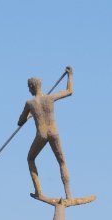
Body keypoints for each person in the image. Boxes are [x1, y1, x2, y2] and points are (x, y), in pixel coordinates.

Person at [18, 66, 74, 200]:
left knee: (30, 159)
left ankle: (38, 191)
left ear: (32, 87)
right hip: (53, 132)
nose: (29, 90)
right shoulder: (50, 98)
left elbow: (20, 122)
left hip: (41, 134)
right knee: (62, 162)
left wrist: (29, 115)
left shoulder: (30, 103)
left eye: (29, 87)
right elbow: (69, 91)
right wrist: (70, 76)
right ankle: (69, 195)